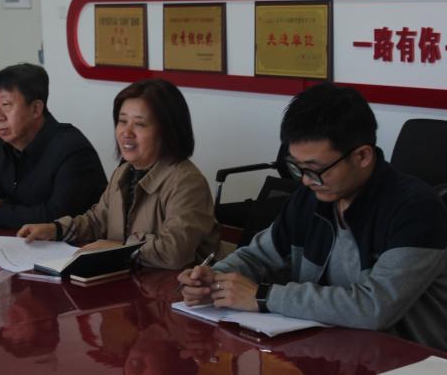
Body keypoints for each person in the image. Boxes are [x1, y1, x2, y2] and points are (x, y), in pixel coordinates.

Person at [177, 82, 447, 351]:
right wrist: (214, 278)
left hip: (407, 358)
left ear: (362, 156)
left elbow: (375, 307)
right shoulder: (312, 196)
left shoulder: (416, 209)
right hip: (330, 348)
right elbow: (259, 256)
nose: (306, 180)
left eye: (315, 169)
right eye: (297, 167)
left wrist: (262, 296)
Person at [18, 79, 219, 270]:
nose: (126, 132)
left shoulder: (187, 182)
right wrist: (55, 230)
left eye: (139, 124)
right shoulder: (124, 171)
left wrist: (118, 248)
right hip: (129, 279)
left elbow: (174, 251)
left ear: (167, 131)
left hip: (172, 288)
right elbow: (97, 221)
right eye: (122, 121)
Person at [0, 63, 107, 229]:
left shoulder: (72, 148)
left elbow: (59, 216)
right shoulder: (10, 147)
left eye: (6, 105)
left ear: (36, 109)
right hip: (20, 241)